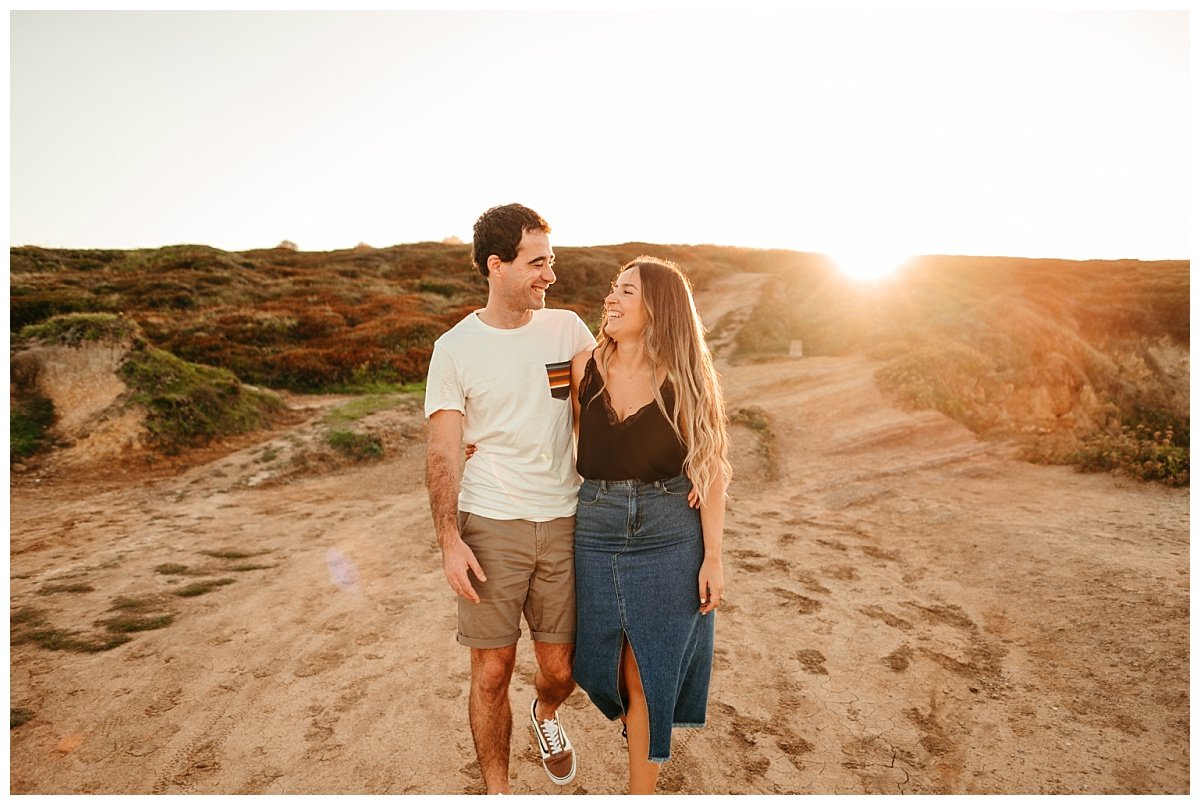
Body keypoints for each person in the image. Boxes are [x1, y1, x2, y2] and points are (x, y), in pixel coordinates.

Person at [424, 203, 596, 794]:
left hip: (565, 518)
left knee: (561, 671)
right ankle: (498, 792)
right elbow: (444, 450)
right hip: (491, 523)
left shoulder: (569, 329)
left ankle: (546, 715)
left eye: (552, 260)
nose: (550, 275)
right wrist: (449, 540)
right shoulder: (454, 348)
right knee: (492, 670)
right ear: (496, 266)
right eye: (538, 263)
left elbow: (608, 408)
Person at [568, 256, 731, 794]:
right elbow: (545, 428)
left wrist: (713, 557)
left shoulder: (685, 378)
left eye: (627, 292)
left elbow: (711, 467)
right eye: (613, 289)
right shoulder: (581, 366)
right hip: (595, 525)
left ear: (657, 308)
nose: (611, 299)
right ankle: (636, 722)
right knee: (596, 664)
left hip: (668, 531)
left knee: (646, 670)